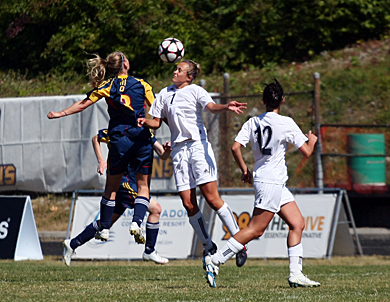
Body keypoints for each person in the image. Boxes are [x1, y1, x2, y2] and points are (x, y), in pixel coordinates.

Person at [204, 78, 320, 288]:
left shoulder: (253, 122)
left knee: (297, 224)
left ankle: (296, 273)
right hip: (271, 182)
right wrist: (311, 140)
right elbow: (307, 152)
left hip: (269, 180)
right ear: (282, 100)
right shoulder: (286, 123)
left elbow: (235, 147)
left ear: (264, 100)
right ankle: (215, 260)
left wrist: (245, 170)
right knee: (256, 229)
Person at [137, 59, 249, 269]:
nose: (175, 71)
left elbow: (211, 107)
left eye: (180, 70)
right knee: (188, 203)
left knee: (212, 198)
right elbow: (156, 121)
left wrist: (226, 106)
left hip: (198, 147)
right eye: (176, 68)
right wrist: (145, 121)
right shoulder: (163, 93)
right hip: (179, 150)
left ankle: (240, 243)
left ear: (189, 76)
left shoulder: (196, 90)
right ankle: (208, 244)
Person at [47, 51, 155, 244]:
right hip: (141, 139)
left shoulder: (107, 85)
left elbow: (82, 104)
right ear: (125, 65)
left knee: (110, 188)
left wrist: (60, 113)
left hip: (119, 140)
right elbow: (157, 111)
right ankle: (137, 222)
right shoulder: (142, 84)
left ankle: (104, 228)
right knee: (143, 186)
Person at [62, 129, 172, 266]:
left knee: (105, 223)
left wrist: (167, 151)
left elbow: (162, 154)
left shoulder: (146, 134)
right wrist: (101, 161)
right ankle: (148, 247)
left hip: (132, 182)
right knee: (156, 209)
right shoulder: (118, 130)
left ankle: (72, 244)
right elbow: (95, 138)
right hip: (123, 181)